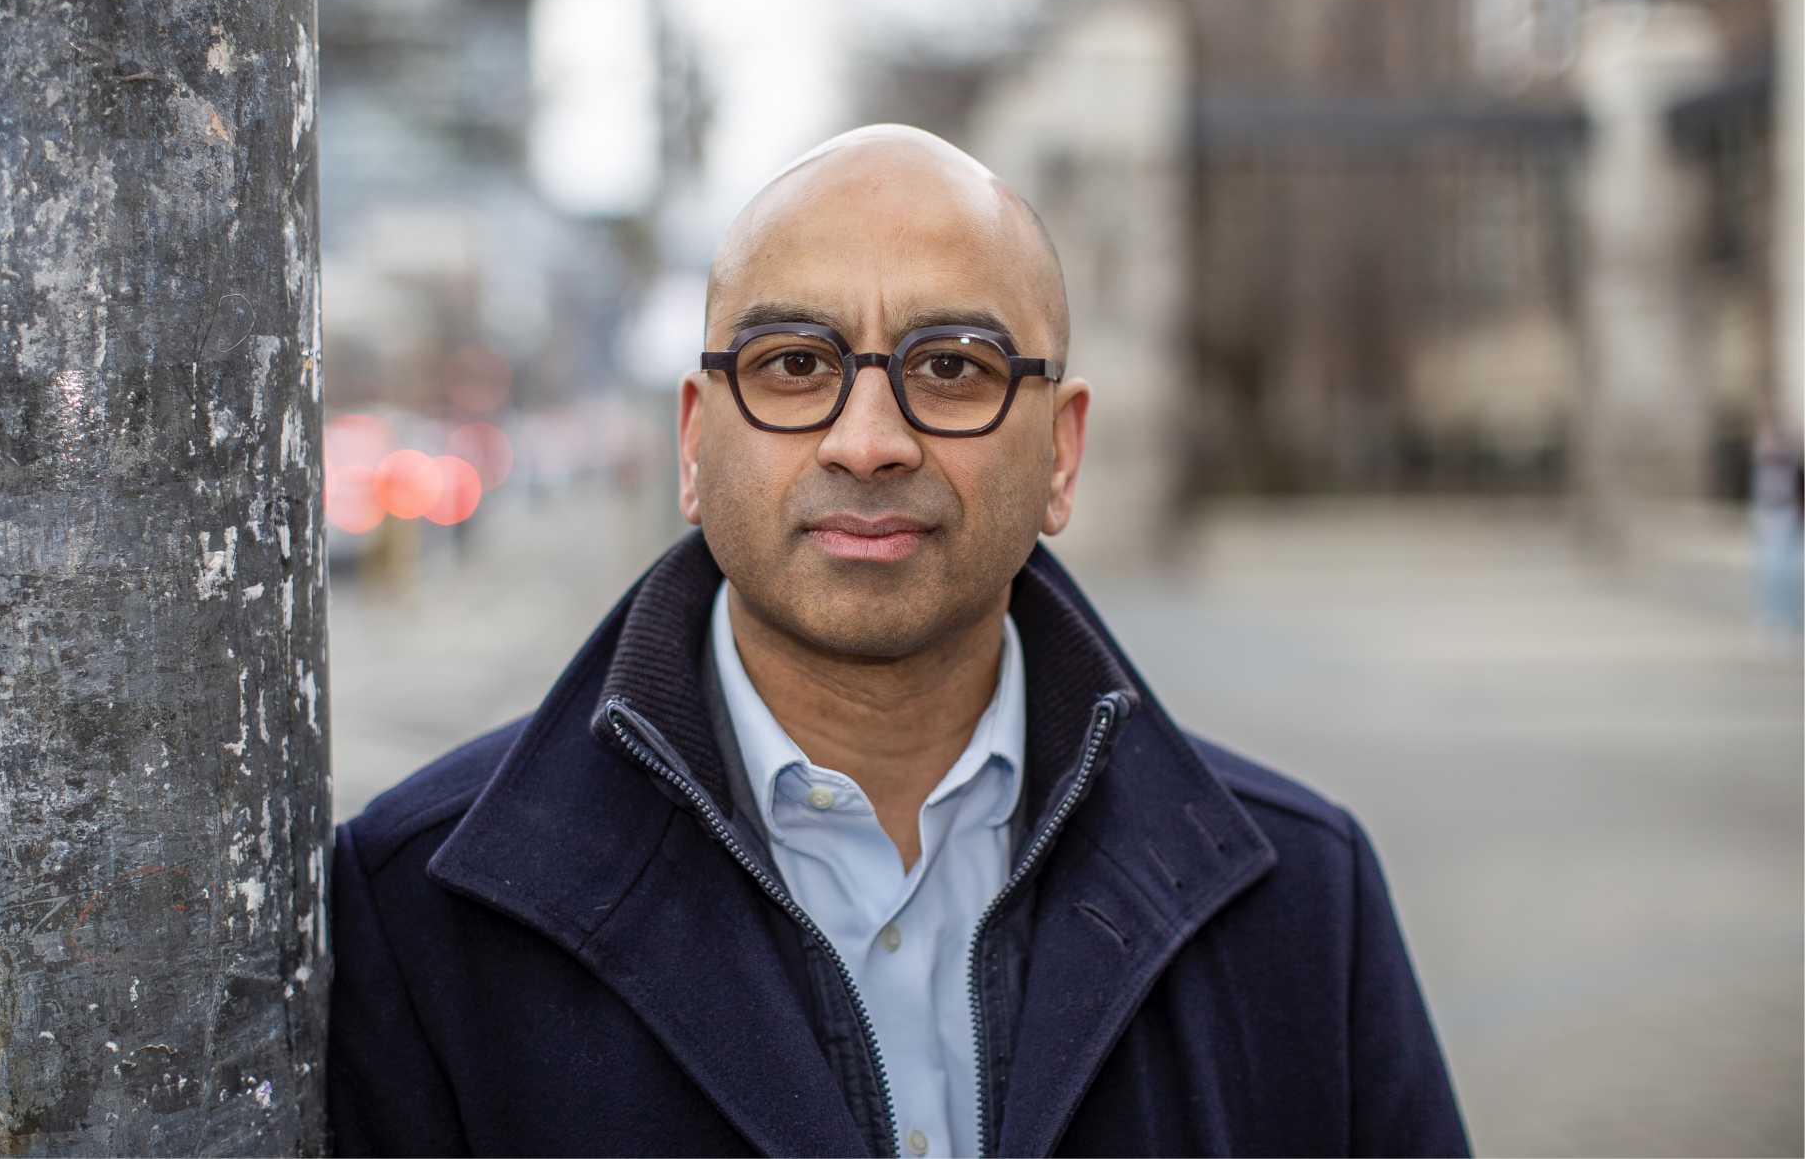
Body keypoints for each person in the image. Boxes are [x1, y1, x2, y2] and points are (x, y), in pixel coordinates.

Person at [328, 126, 1469, 1157]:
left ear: (1061, 456)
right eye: (792, 365)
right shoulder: (424, 912)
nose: (866, 441)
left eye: (952, 368)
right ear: (691, 443)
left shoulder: (1302, 905)